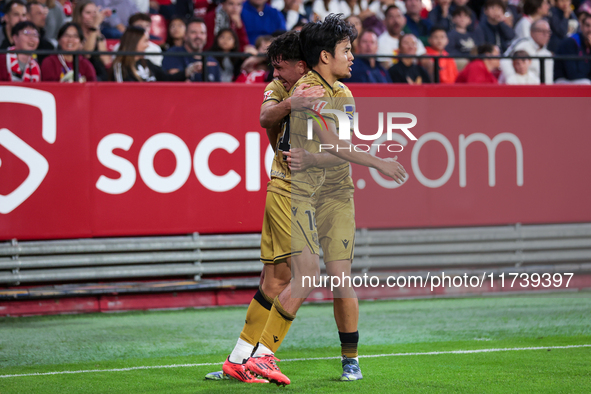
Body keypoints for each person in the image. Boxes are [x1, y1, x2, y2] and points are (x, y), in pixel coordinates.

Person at [242, 14, 405, 385]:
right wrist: (379, 161)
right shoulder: (306, 89)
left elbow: (334, 149)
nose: (353, 56)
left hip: (334, 192)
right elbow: (333, 143)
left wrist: (315, 158)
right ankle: (257, 355)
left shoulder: (341, 93)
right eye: (347, 50)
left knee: (337, 278)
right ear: (323, 56)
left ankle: (349, 359)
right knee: (292, 276)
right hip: (298, 191)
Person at [110, 26, 197, 81]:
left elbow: (167, 79)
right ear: (134, 42)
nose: (148, 45)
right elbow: (122, 92)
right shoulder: (120, 66)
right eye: (145, 41)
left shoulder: (147, 63)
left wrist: (190, 70)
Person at [161, 18, 221, 82]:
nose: (198, 36)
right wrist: (188, 71)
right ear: (185, 36)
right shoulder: (173, 54)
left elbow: (218, 89)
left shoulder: (212, 62)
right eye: (193, 32)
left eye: (202, 33)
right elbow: (172, 80)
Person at [500, 19, 553, 84]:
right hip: (517, 86)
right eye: (542, 31)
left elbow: (548, 79)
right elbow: (504, 60)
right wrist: (512, 79)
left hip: (537, 88)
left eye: (548, 32)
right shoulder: (521, 44)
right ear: (532, 32)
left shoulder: (548, 54)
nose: (546, 35)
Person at [72, 0, 112, 81]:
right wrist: (95, 27)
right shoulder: (73, 33)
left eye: (95, 13)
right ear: (79, 15)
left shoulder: (97, 33)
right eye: (88, 13)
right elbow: (87, 54)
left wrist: (97, 30)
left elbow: (106, 61)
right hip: (83, 76)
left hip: (101, 76)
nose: (93, 16)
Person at [554, 12, 591, 84]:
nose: (590, 29)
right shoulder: (570, 42)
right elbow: (573, 74)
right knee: (586, 83)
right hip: (563, 81)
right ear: (581, 26)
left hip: (582, 81)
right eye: (587, 25)